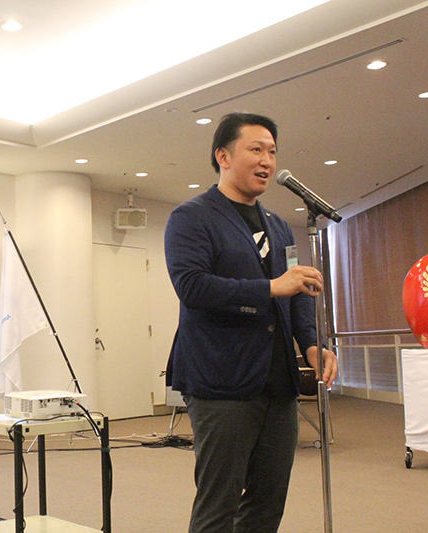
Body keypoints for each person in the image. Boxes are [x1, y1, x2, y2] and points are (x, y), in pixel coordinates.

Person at [164, 112, 338, 533]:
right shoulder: (192, 217)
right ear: (223, 156)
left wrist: (311, 344)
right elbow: (193, 287)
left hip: (278, 383)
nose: (267, 161)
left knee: (267, 503)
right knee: (218, 505)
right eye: (256, 149)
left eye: (272, 152)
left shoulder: (279, 228)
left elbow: (296, 292)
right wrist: (271, 287)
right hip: (221, 381)